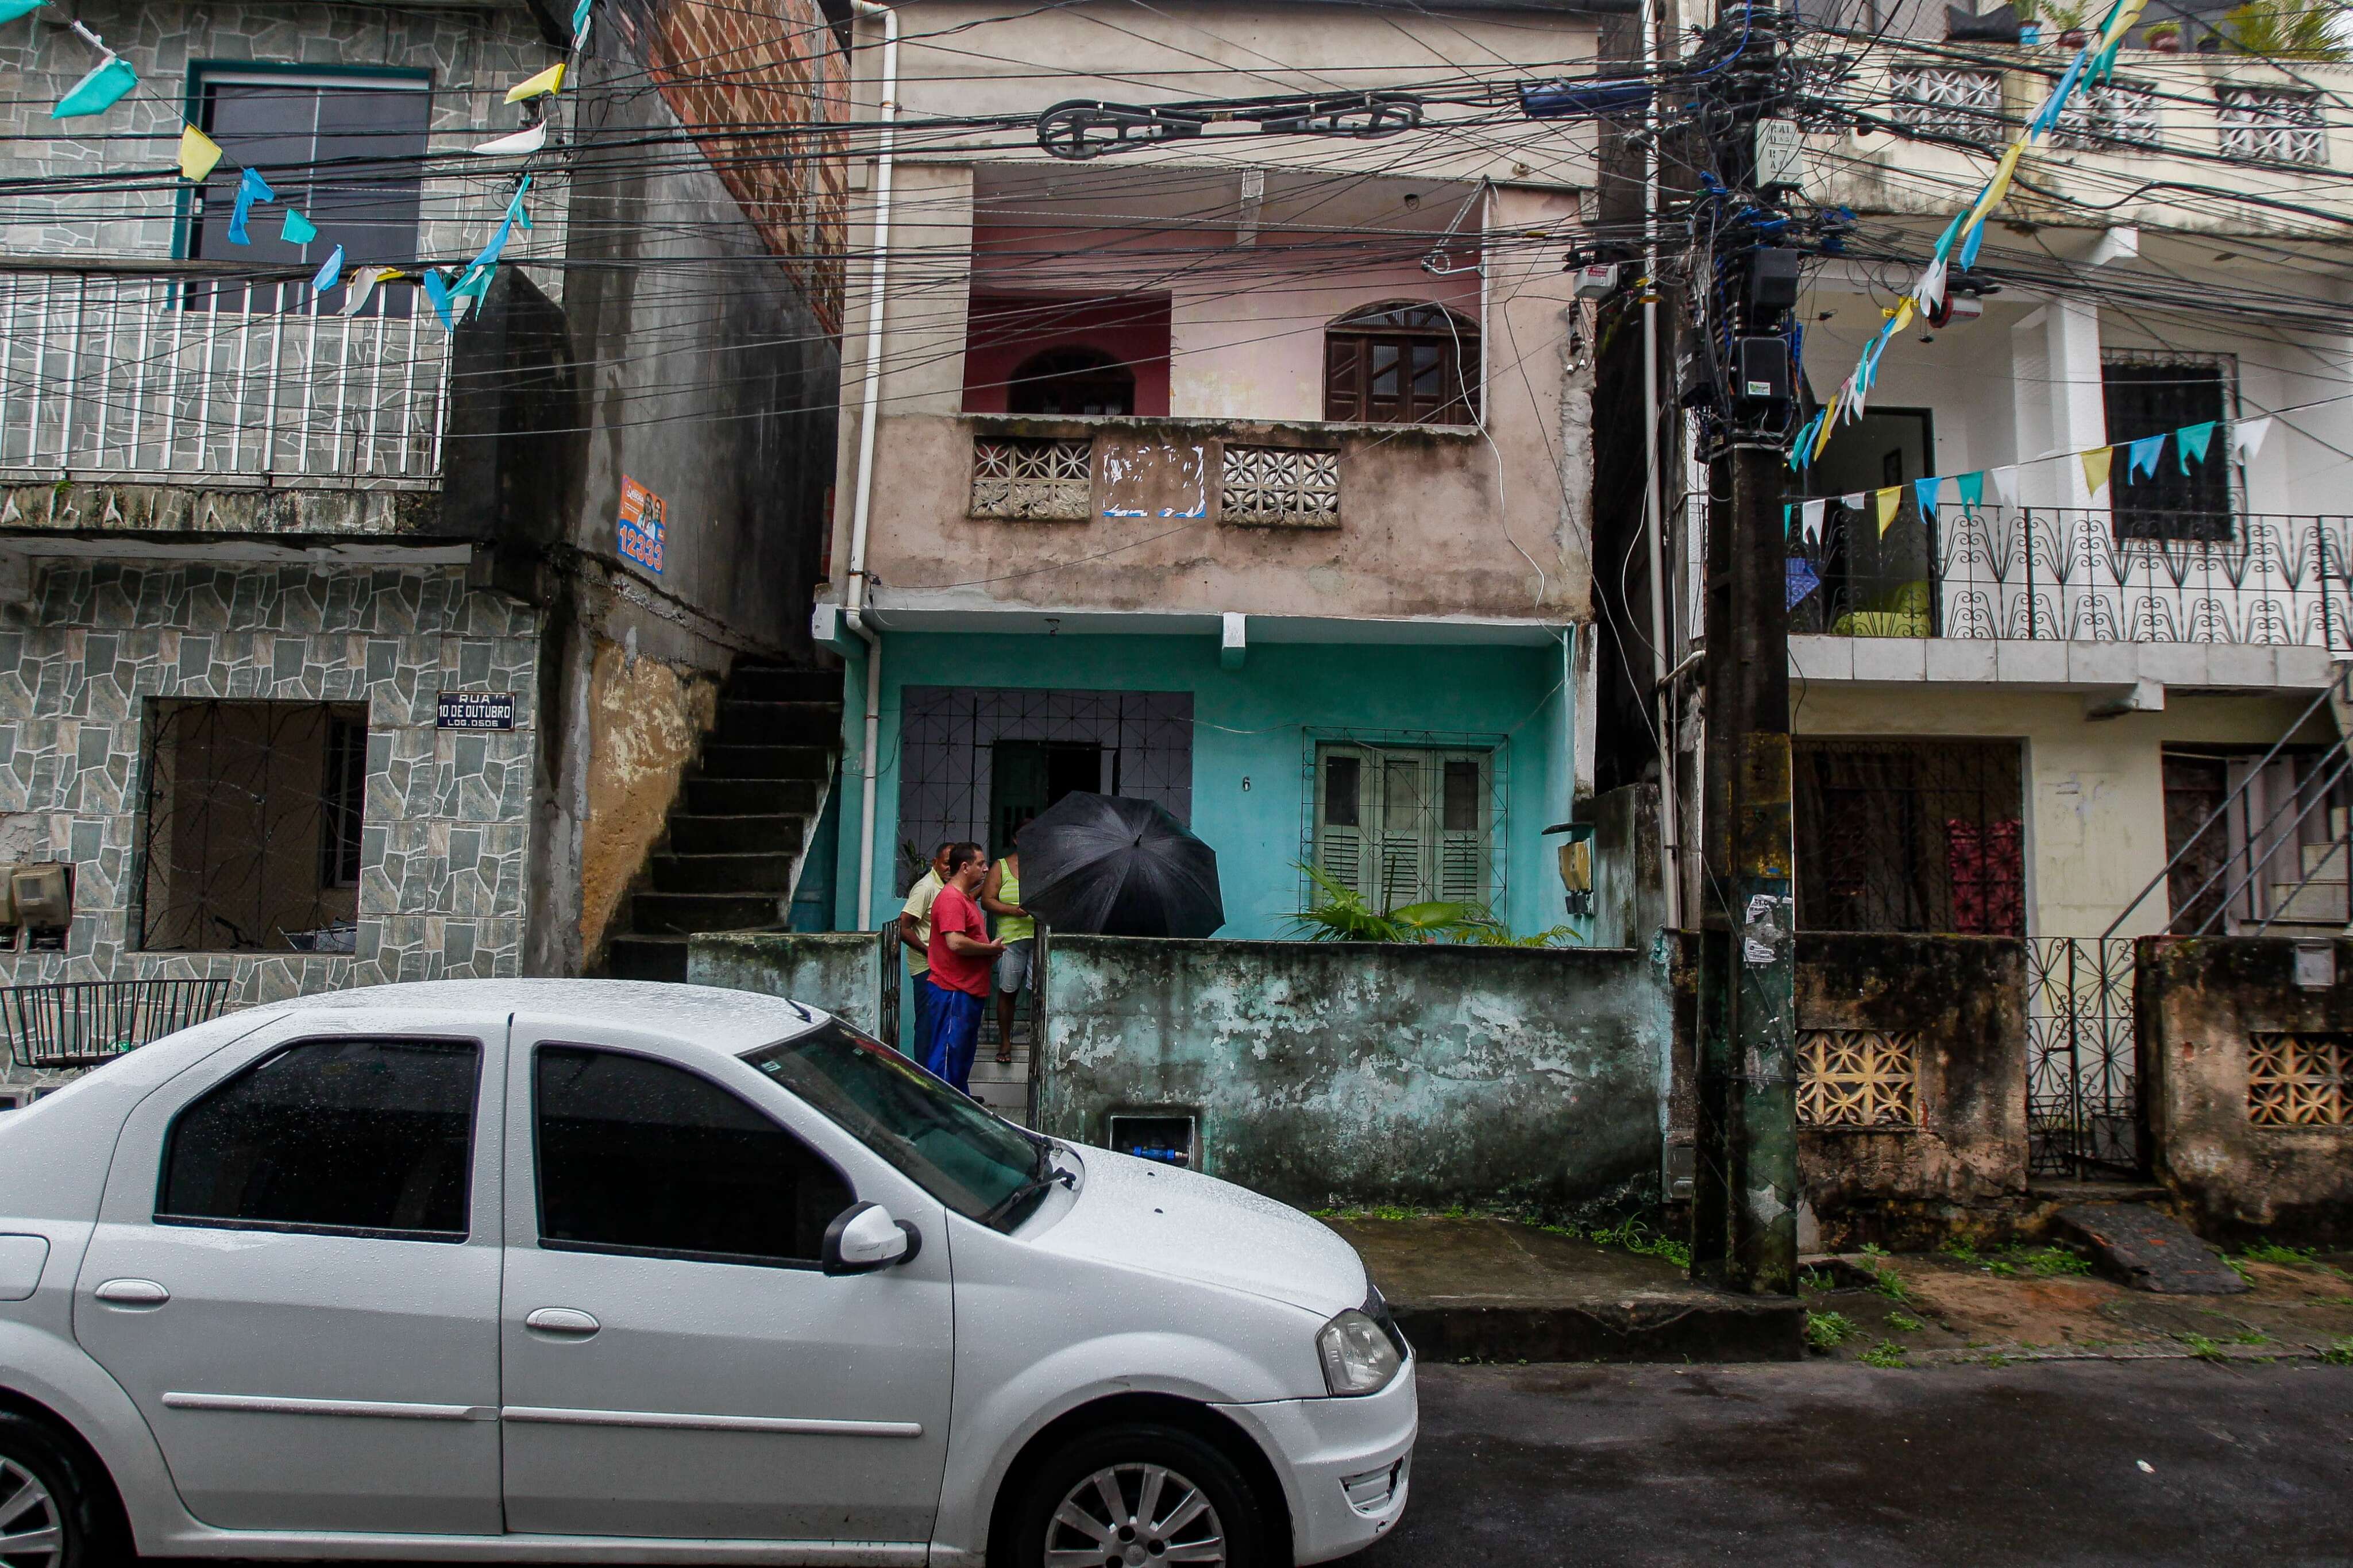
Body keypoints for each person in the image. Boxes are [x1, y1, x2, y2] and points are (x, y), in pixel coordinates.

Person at [923, 842, 1002, 1094]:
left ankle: (955, 1110)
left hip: (967, 991)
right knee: (947, 1059)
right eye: (981, 864)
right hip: (953, 990)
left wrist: (989, 954)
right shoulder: (951, 900)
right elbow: (955, 942)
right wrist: (990, 950)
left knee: (960, 1059)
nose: (986, 869)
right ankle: (941, 1115)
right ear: (965, 867)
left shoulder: (966, 900)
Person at [981, 847, 1035, 1064]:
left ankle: (1037, 1039)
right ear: (1016, 839)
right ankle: (1005, 1041)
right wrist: (1013, 910)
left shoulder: (1042, 862)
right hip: (1010, 940)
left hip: (1039, 938)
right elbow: (987, 900)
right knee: (1008, 991)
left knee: (1039, 994)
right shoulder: (1001, 866)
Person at [897, 842, 952, 1056]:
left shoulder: (947, 887)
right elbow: (903, 927)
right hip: (926, 969)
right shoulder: (926, 887)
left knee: (941, 1028)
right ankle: (923, 1081)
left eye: (954, 865)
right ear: (935, 863)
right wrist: (930, 952)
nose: (950, 868)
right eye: (947, 864)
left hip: (942, 968)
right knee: (928, 1027)